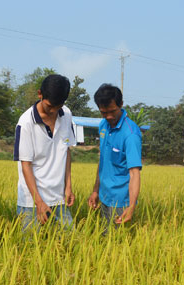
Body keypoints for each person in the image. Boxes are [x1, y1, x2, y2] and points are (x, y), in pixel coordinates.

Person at [14, 74, 76, 230]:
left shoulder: (66, 114)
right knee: (28, 248)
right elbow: (26, 165)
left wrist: (68, 187)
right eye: (50, 106)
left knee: (72, 244)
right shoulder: (26, 123)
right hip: (31, 202)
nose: (54, 111)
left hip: (58, 198)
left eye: (58, 106)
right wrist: (39, 202)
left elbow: (66, 151)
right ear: (39, 94)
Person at [87, 84, 142, 226]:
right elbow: (103, 161)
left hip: (120, 201)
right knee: (106, 238)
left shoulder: (130, 134)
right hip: (104, 196)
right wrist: (95, 191)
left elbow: (134, 173)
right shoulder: (103, 125)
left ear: (121, 104)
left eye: (112, 111)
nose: (109, 116)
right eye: (104, 113)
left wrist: (131, 206)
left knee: (118, 243)